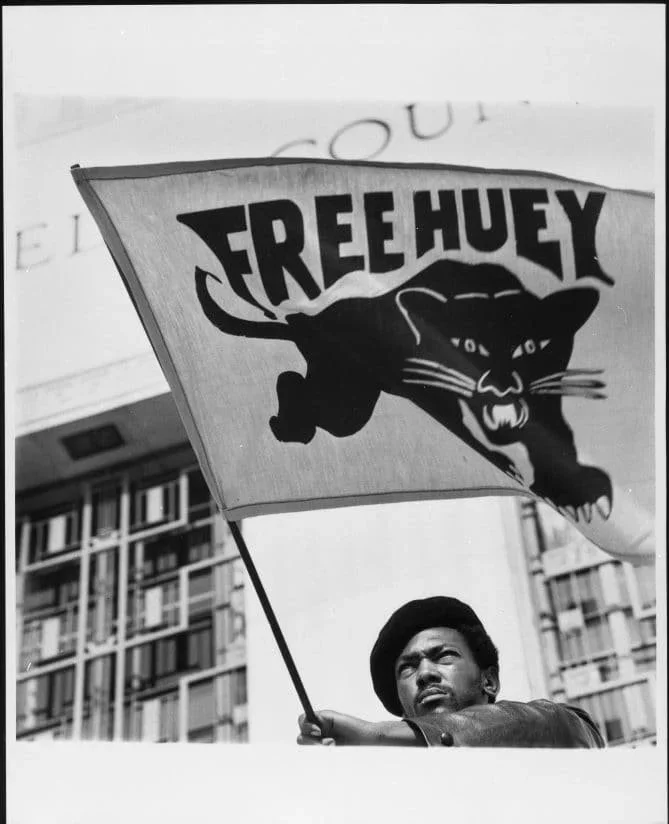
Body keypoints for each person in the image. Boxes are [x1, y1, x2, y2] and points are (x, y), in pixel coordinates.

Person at [297, 596, 605, 748]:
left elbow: (559, 725)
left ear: (490, 680)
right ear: (402, 708)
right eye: (408, 667)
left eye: (444, 656)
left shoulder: (561, 726)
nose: (425, 673)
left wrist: (372, 735)